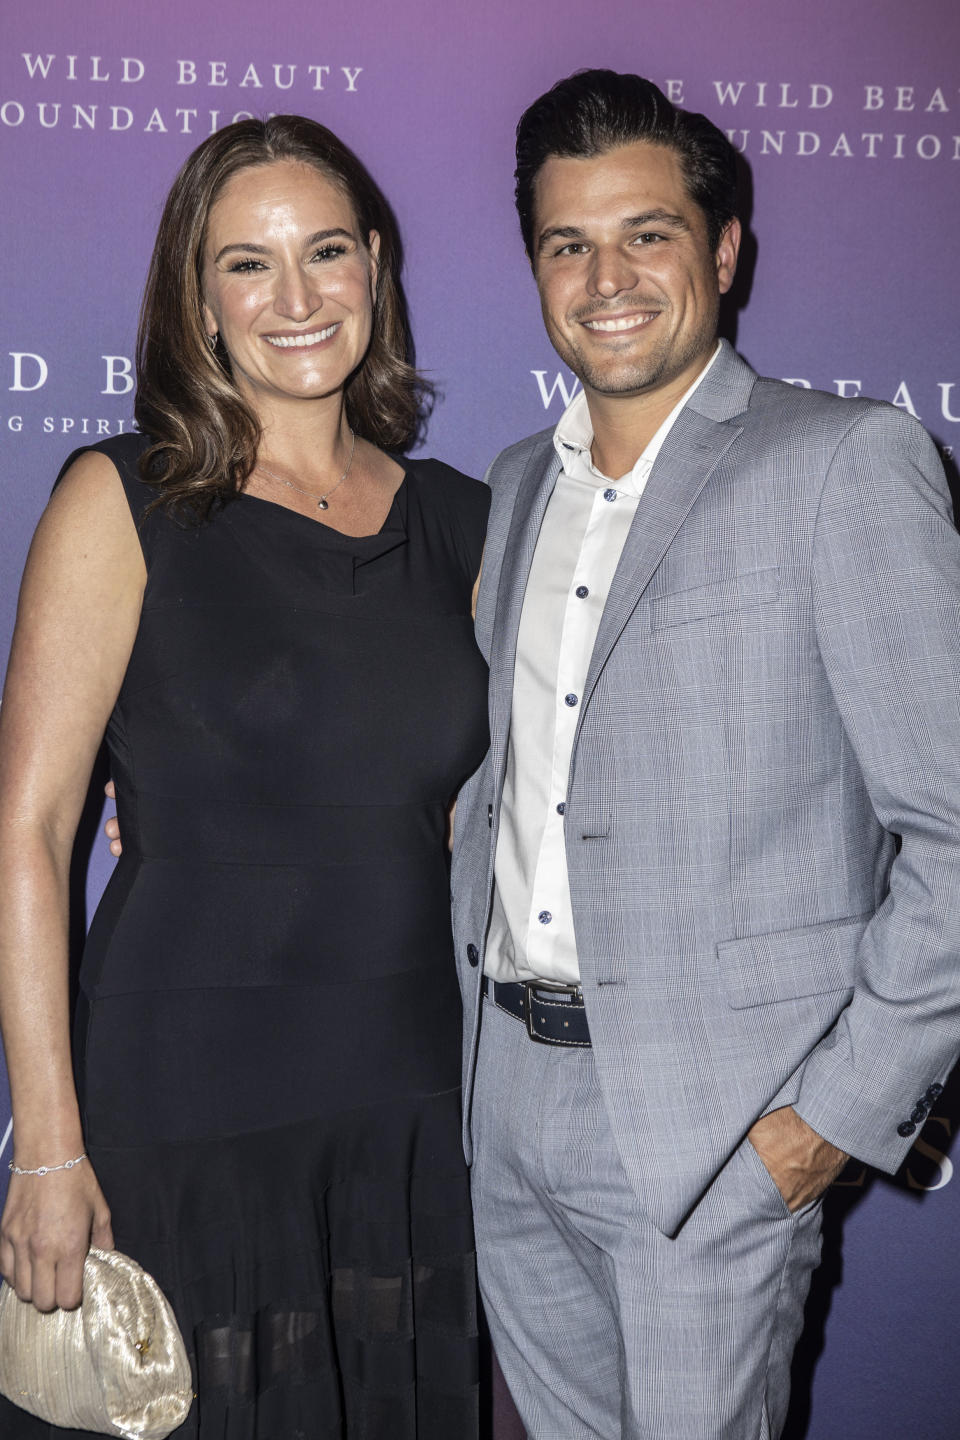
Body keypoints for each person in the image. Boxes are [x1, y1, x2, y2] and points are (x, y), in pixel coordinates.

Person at [450, 70, 960, 1439]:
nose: (606, 275)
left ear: (724, 251)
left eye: (648, 233)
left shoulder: (846, 462)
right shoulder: (513, 486)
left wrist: (827, 1124)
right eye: (568, 242)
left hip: (714, 1133)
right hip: (505, 1102)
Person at [0, 115, 488, 1439]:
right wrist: (47, 1143)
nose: (296, 297)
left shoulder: (468, 521)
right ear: (197, 298)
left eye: (326, 252)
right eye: (248, 265)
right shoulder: (123, 499)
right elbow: (34, 833)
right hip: (183, 1088)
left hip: (412, 1088)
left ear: (376, 266)